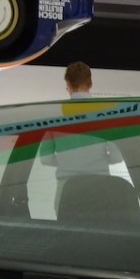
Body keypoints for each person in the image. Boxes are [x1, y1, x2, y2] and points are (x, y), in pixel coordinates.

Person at [43, 61, 119, 212]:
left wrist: (68, 161)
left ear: (68, 85)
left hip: (67, 189)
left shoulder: (53, 113)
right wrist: (97, 161)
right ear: (90, 84)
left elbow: (46, 159)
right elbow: (118, 157)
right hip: (100, 187)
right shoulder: (107, 112)